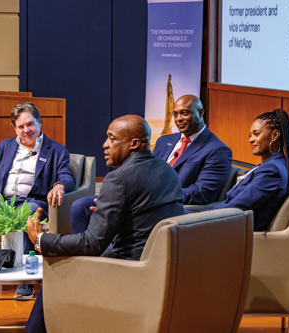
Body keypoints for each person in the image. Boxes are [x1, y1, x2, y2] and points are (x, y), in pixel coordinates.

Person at [24, 115, 184, 332]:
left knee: (57, 265)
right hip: (158, 266)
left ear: (134, 144)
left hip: (127, 270)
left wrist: (41, 239)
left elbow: (92, 244)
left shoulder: (118, 179)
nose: (105, 144)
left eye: (111, 139)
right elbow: (145, 214)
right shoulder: (167, 170)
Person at [0, 102, 75, 299]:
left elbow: (66, 176)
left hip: (33, 202)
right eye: (21, 126)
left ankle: (25, 280)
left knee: (26, 214)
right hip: (3, 202)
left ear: (40, 123)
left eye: (30, 124)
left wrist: (59, 185)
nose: (26, 130)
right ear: (14, 128)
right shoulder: (5, 146)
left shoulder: (57, 150)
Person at [70, 94, 231, 234]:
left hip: (165, 207)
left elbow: (203, 192)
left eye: (184, 113)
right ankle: (89, 257)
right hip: (139, 198)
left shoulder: (217, 150)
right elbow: (144, 171)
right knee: (81, 206)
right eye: (175, 114)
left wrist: (154, 196)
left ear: (200, 113)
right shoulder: (165, 140)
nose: (178, 119)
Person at [211, 108, 289, 231]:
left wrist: (199, 217)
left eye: (256, 134)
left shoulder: (272, 171)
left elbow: (236, 207)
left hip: (235, 232)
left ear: (275, 135)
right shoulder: (272, 165)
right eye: (250, 135)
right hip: (228, 222)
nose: (251, 139)